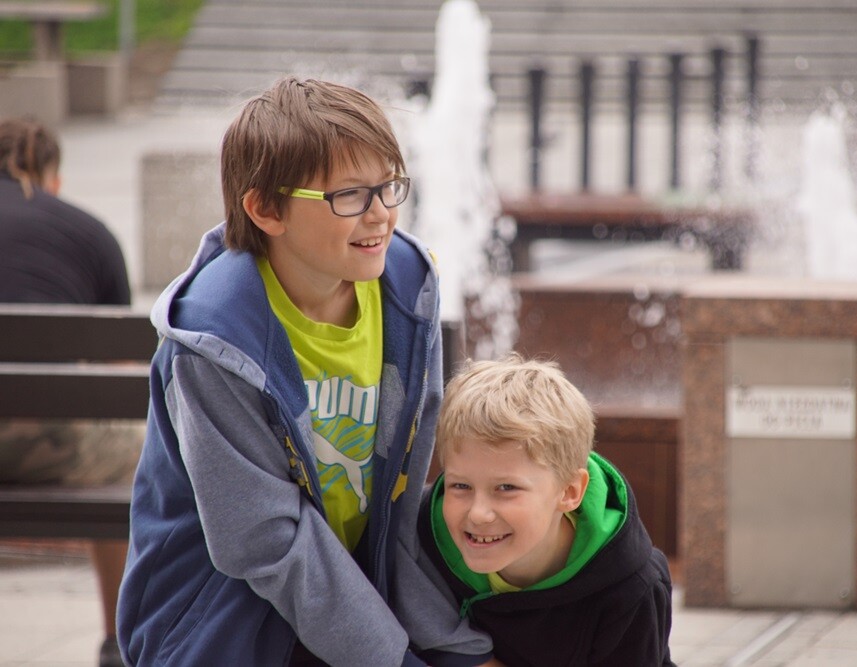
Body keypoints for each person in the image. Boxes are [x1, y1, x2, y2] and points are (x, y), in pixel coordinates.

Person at [117, 76, 495, 666]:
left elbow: (395, 506)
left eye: (389, 187)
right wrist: (390, 658)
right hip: (222, 620)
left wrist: (450, 646)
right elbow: (266, 542)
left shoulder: (404, 292)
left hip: (349, 596)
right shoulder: (215, 340)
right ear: (267, 208)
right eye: (349, 196)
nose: (381, 216)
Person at [418, 355, 676, 666]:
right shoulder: (419, 537)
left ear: (569, 492)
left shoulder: (629, 589)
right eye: (460, 486)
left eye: (506, 488)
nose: (478, 514)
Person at [0, 117, 140, 667]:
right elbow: (120, 369)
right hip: (48, 444)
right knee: (139, 456)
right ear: (51, 173)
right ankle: (116, 640)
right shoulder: (89, 232)